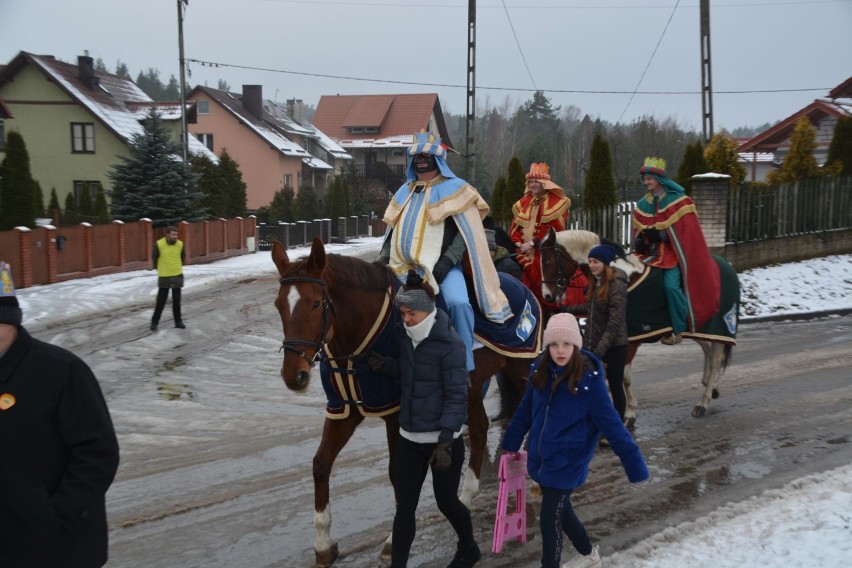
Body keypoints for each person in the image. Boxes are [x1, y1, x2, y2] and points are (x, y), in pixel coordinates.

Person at [500, 313, 648, 568]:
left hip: (568, 464)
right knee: (562, 512)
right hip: (543, 461)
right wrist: (512, 439)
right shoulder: (540, 370)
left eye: (566, 345)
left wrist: (635, 465)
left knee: (549, 519)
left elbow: (613, 426)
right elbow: (526, 409)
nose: (560, 350)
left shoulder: (589, 383)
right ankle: (589, 554)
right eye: (554, 345)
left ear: (575, 346)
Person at [0, 261, 120, 568]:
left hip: (57, 547)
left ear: (8, 321)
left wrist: (56, 515)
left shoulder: (60, 371)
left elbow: (98, 453)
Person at [368, 270, 481, 567]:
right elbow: (414, 374)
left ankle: (469, 548)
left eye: (411, 313)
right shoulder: (406, 338)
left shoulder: (451, 345)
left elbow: (457, 397)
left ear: (429, 311)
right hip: (409, 440)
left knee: (447, 503)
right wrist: (387, 366)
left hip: (442, 444)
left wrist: (445, 442)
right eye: (403, 313)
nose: (406, 319)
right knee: (404, 509)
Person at [377, 130, 511, 371]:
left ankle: (464, 365)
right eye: (416, 155)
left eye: (426, 156)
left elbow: (465, 233)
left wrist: (447, 261)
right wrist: (381, 260)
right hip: (400, 267)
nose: (420, 159)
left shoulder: (456, 189)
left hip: (443, 268)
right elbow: (392, 230)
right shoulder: (404, 191)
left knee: (459, 303)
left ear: (437, 159)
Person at [632, 157, 719, 345]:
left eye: (650, 178)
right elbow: (639, 230)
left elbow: (686, 233)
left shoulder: (680, 201)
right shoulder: (643, 203)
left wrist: (663, 236)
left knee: (670, 286)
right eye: (645, 178)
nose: (646, 182)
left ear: (660, 179)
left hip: (673, 256)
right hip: (649, 255)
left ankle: (678, 329)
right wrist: (640, 240)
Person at [561, 244, 629, 424]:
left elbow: (614, 322)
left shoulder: (616, 284)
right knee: (590, 385)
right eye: (590, 261)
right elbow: (591, 309)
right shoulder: (596, 281)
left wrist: (599, 351)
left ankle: (617, 426)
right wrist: (566, 310)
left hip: (615, 347)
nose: (591, 265)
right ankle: (593, 421)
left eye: (596, 261)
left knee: (615, 387)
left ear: (605, 263)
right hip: (594, 344)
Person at [509, 162, 573, 309]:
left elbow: (554, 231)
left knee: (539, 278)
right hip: (522, 250)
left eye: (536, 181)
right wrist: (517, 242)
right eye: (530, 182)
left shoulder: (556, 203)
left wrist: (532, 244)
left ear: (545, 183)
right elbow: (515, 228)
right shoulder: (524, 202)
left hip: (544, 251)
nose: (532, 185)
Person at [151, 225, 186, 330]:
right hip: (164, 276)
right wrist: (160, 268)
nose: (175, 236)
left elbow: (182, 256)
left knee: (177, 301)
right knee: (161, 301)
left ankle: (178, 322)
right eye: (173, 234)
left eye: (176, 234)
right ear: (167, 234)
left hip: (177, 275)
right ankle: (154, 323)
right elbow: (154, 258)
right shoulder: (159, 244)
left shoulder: (180, 244)